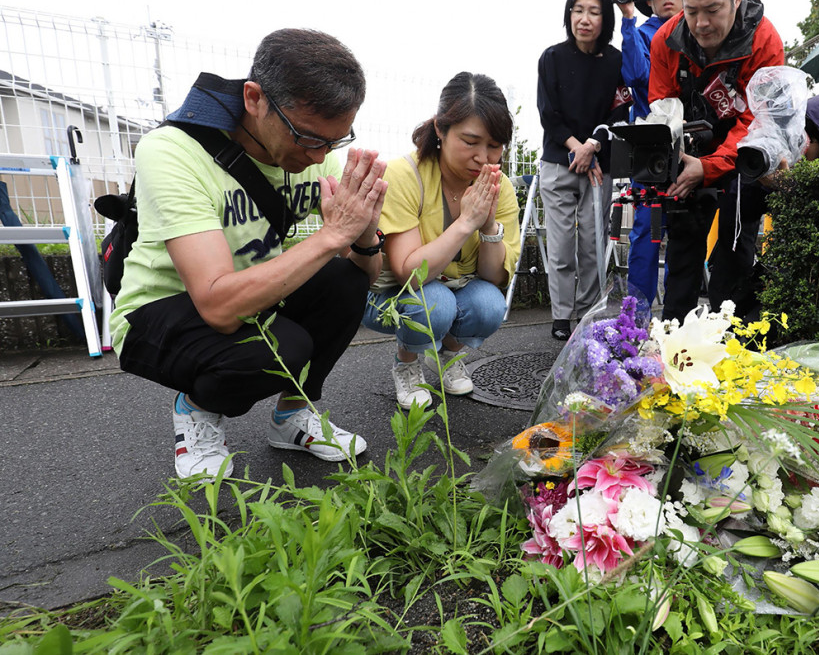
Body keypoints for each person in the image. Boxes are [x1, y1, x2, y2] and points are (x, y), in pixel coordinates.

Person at [110, 29, 387, 480]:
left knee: (345, 281)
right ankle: (197, 411)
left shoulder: (316, 157)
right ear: (254, 98)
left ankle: (292, 416)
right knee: (283, 348)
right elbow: (219, 306)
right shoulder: (173, 151)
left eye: (334, 142)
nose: (319, 158)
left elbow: (368, 274)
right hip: (159, 312)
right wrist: (331, 236)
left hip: (250, 296)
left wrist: (363, 227)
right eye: (307, 138)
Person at [362, 73, 521, 410]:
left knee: (491, 304)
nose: (483, 157)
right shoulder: (405, 175)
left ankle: (448, 355)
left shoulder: (499, 186)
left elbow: (493, 279)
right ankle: (407, 363)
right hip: (390, 296)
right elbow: (410, 274)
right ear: (440, 129)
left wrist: (488, 222)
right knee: (435, 302)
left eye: (494, 145)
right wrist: (465, 222)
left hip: (454, 286)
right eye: (470, 141)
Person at [648, 0, 784, 323]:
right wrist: (676, 160)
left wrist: (709, 167)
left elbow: (759, 121)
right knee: (681, 248)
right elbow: (662, 106)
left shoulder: (764, 41)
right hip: (690, 148)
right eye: (692, 11)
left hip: (745, 155)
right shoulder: (667, 39)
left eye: (713, 9)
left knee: (734, 252)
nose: (701, 24)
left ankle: (735, 348)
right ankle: (672, 343)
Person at [538, 0, 632, 341]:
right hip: (559, 163)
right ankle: (561, 316)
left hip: (598, 165)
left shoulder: (615, 61)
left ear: (604, 17)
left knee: (593, 244)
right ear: (569, 14)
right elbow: (549, 113)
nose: (585, 18)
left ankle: (589, 313)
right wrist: (577, 147)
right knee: (561, 247)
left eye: (593, 11)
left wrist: (592, 144)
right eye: (578, 10)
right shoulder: (552, 58)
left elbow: (622, 109)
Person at [616, 0, 682, 307]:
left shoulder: (701, 34)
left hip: (689, 151)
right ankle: (636, 323)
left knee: (685, 235)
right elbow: (637, 76)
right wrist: (628, 17)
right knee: (645, 232)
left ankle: (678, 321)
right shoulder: (640, 33)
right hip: (649, 150)